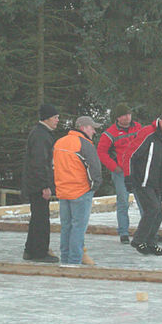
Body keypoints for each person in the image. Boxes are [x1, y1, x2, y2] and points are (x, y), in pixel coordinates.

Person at [122, 111, 162, 256]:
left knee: (158, 213)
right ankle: (139, 240)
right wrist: (128, 176)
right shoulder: (148, 133)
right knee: (152, 209)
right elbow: (129, 154)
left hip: (157, 182)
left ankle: (151, 243)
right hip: (142, 180)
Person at [53, 116, 102, 264]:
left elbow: (53, 166)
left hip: (63, 191)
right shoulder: (85, 144)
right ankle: (74, 261)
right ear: (84, 127)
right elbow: (95, 168)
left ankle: (66, 259)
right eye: (92, 127)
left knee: (66, 227)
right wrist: (94, 186)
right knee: (78, 228)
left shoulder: (59, 142)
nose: (94, 130)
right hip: (81, 191)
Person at [97, 103, 142, 244]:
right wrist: (114, 167)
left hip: (137, 169)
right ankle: (123, 232)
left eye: (129, 114)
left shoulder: (138, 127)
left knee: (143, 200)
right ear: (117, 118)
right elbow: (101, 152)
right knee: (123, 201)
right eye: (124, 115)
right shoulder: (110, 133)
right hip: (121, 172)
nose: (127, 117)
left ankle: (147, 230)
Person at [21, 104, 60, 263]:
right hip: (38, 184)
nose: (58, 120)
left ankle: (30, 250)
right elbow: (39, 162)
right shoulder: (41, 135)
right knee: (41, 219)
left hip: (35, 182)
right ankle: (39, 252)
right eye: (55, 117)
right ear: (47, 118)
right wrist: (45, 185)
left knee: (37, 217)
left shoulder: (41, 133)